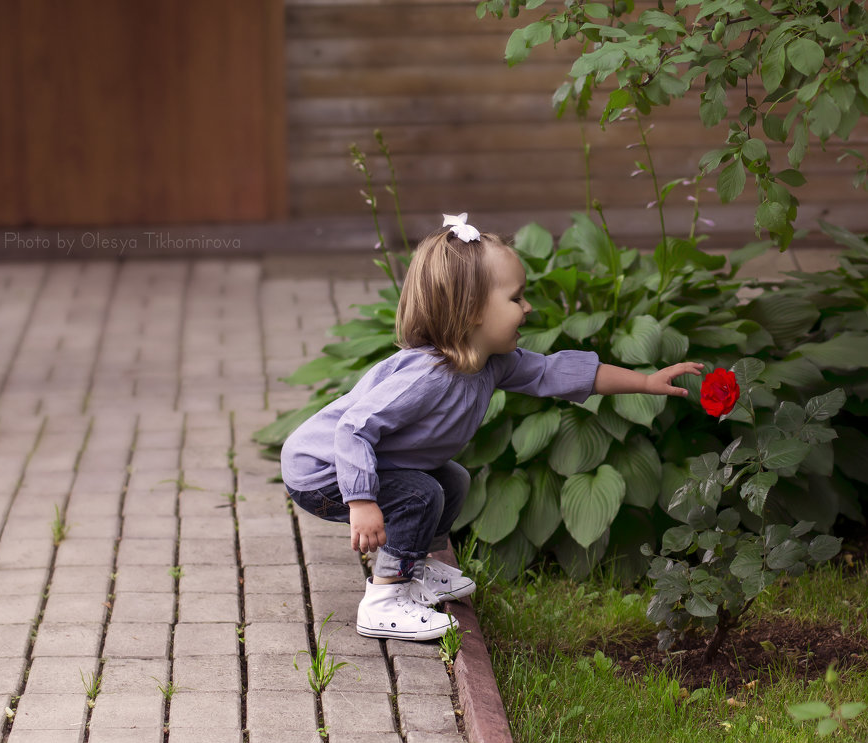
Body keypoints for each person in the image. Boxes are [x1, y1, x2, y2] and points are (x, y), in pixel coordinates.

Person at [281, 213, 703, 641]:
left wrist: (645, 382)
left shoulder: (491, 364)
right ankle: (384, 601)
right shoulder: (428, 376)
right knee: (421, 494)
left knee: (453, 479)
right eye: (516, 299)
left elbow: (557, 373)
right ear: (472, 312)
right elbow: (353, 428)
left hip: (361, 460)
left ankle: (413, 568)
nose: (528, 308)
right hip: (322, 469)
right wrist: (362, 501)